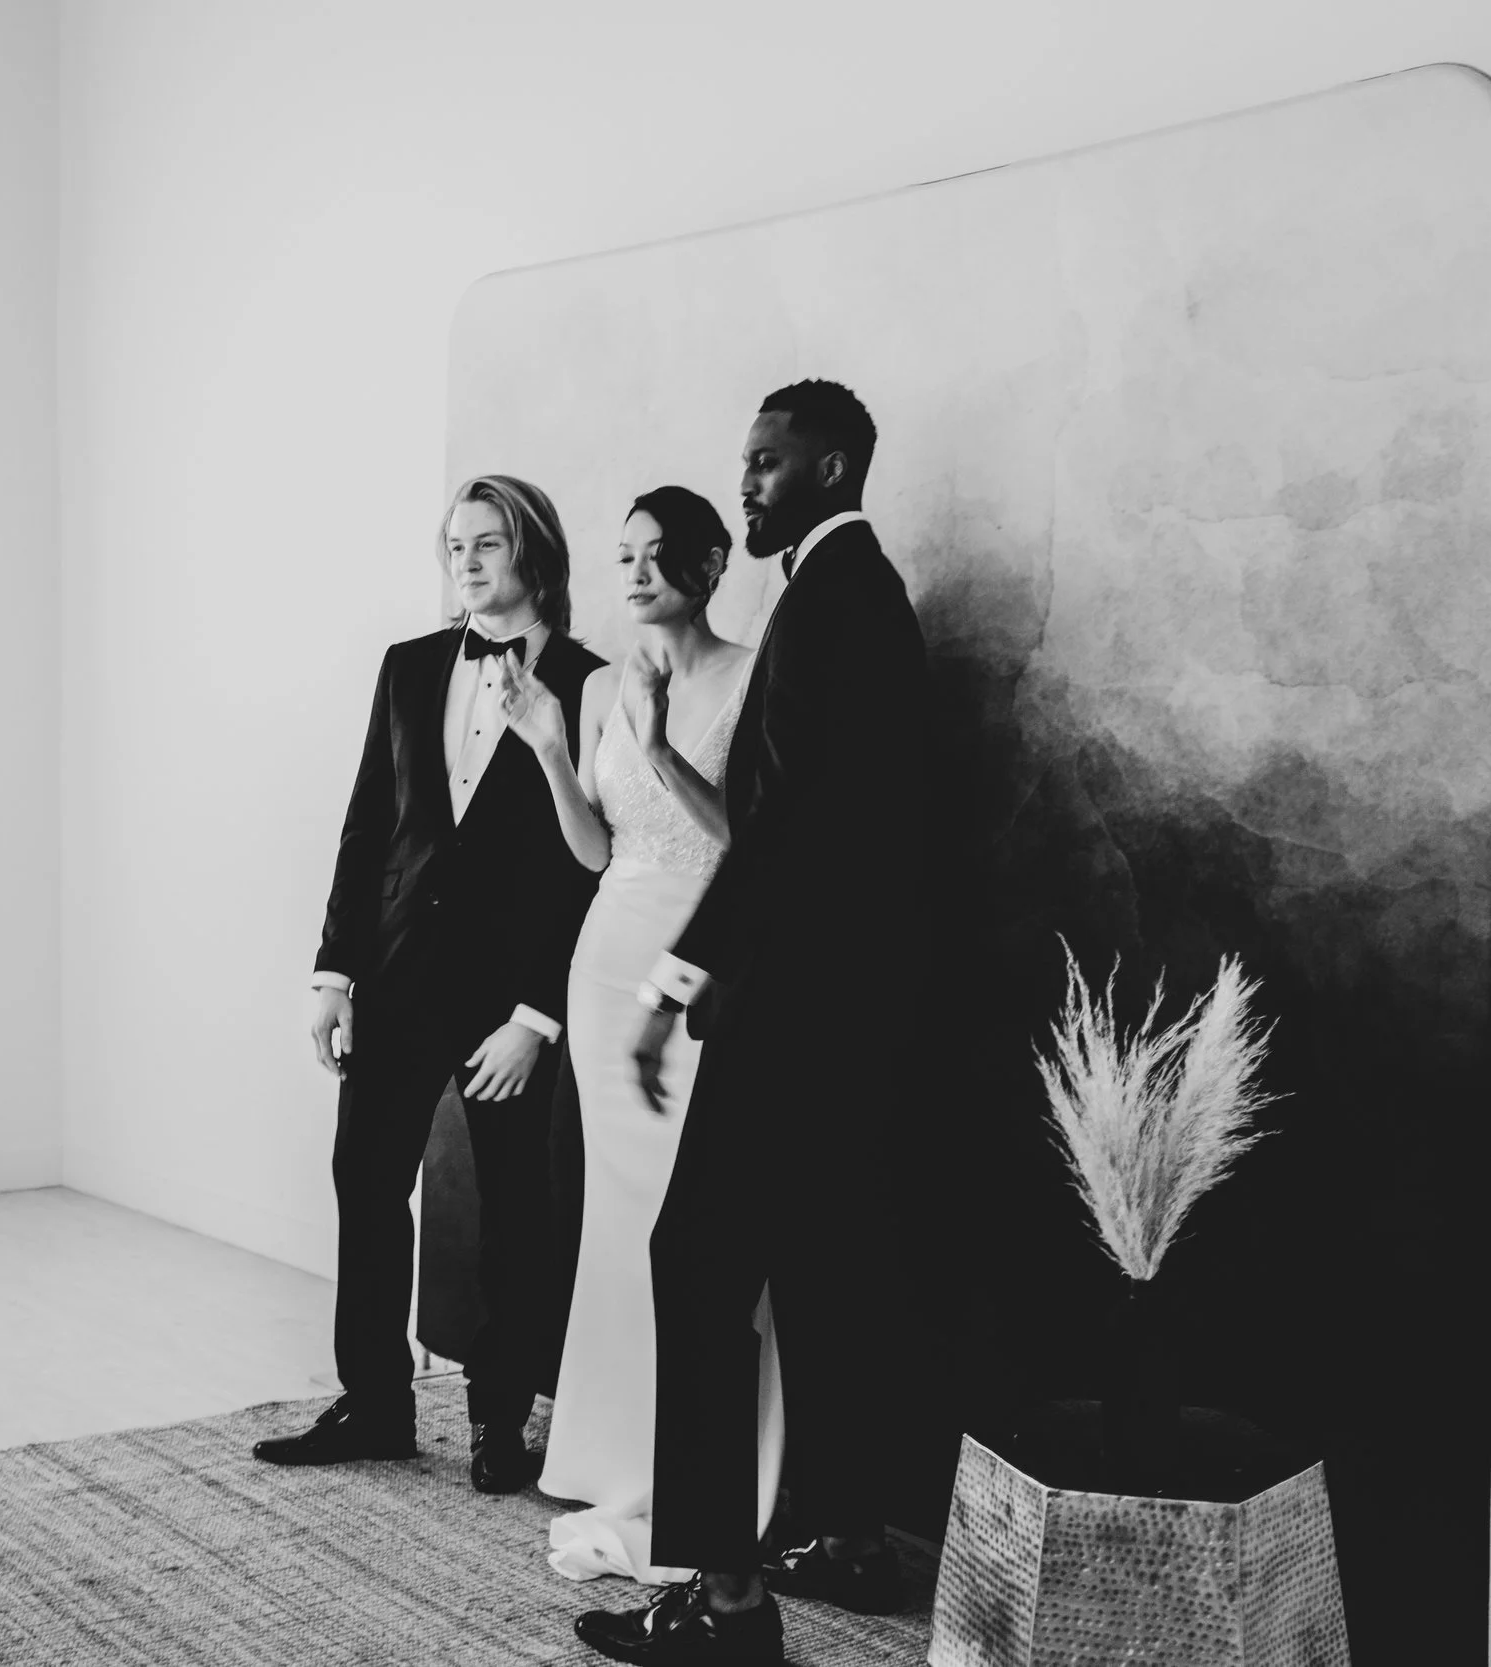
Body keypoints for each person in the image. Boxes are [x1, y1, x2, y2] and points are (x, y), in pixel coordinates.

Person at [573, 381, 930, 1664]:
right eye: (746, 461)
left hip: (794, 1011)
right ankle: (847, 1533)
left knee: (699, 1260)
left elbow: (795, 830)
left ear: (831, 467)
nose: (748, 483)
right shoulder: (845, 596)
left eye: (768, 463)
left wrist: (680, 984)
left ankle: (727, 1606)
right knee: (827, 1266)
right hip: (842, 1012)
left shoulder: (840, 601)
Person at [255, 474, 606, 1494]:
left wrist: (538, 1015)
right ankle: (375, 1402)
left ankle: (502, 1420)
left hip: (509, 1001)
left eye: (488, 541)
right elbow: (368, 825)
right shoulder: (407, 666)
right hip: (397, 977)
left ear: (531, 552)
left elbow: (595, 862)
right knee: (364, 1182)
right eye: (455, 542)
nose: (467, 559)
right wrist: (335, 970)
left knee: (513, 1210)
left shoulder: (589, 682)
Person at [492, 485, 783, 1585]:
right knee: (615, 1224)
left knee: (695, 1225)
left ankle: (714, 1470)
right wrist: (550, 750)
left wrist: (659, 747)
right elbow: (590, 851)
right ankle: (616, 1448)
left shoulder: (755, 676)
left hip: (699, 963)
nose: (637, 573)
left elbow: (752, 844)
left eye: (659, 555)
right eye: (624, 557)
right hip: (605, 958)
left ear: (713, 566)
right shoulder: (605, 683)